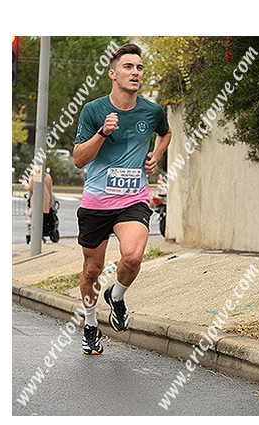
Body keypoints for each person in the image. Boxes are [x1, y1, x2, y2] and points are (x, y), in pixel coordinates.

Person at [73, 43, 172, 355]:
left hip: (133, 199)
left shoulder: (152, 111)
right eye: (128, 67)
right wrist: (102, 133)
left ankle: (116, 296)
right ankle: (91, 324)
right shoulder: (93, 110)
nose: (135, 72)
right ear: (112, 73)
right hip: (97, 202)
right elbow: (78, 159)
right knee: (92, 270)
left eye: (139, 67)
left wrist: (156, 154)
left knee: (132, 257)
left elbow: (166, 133)